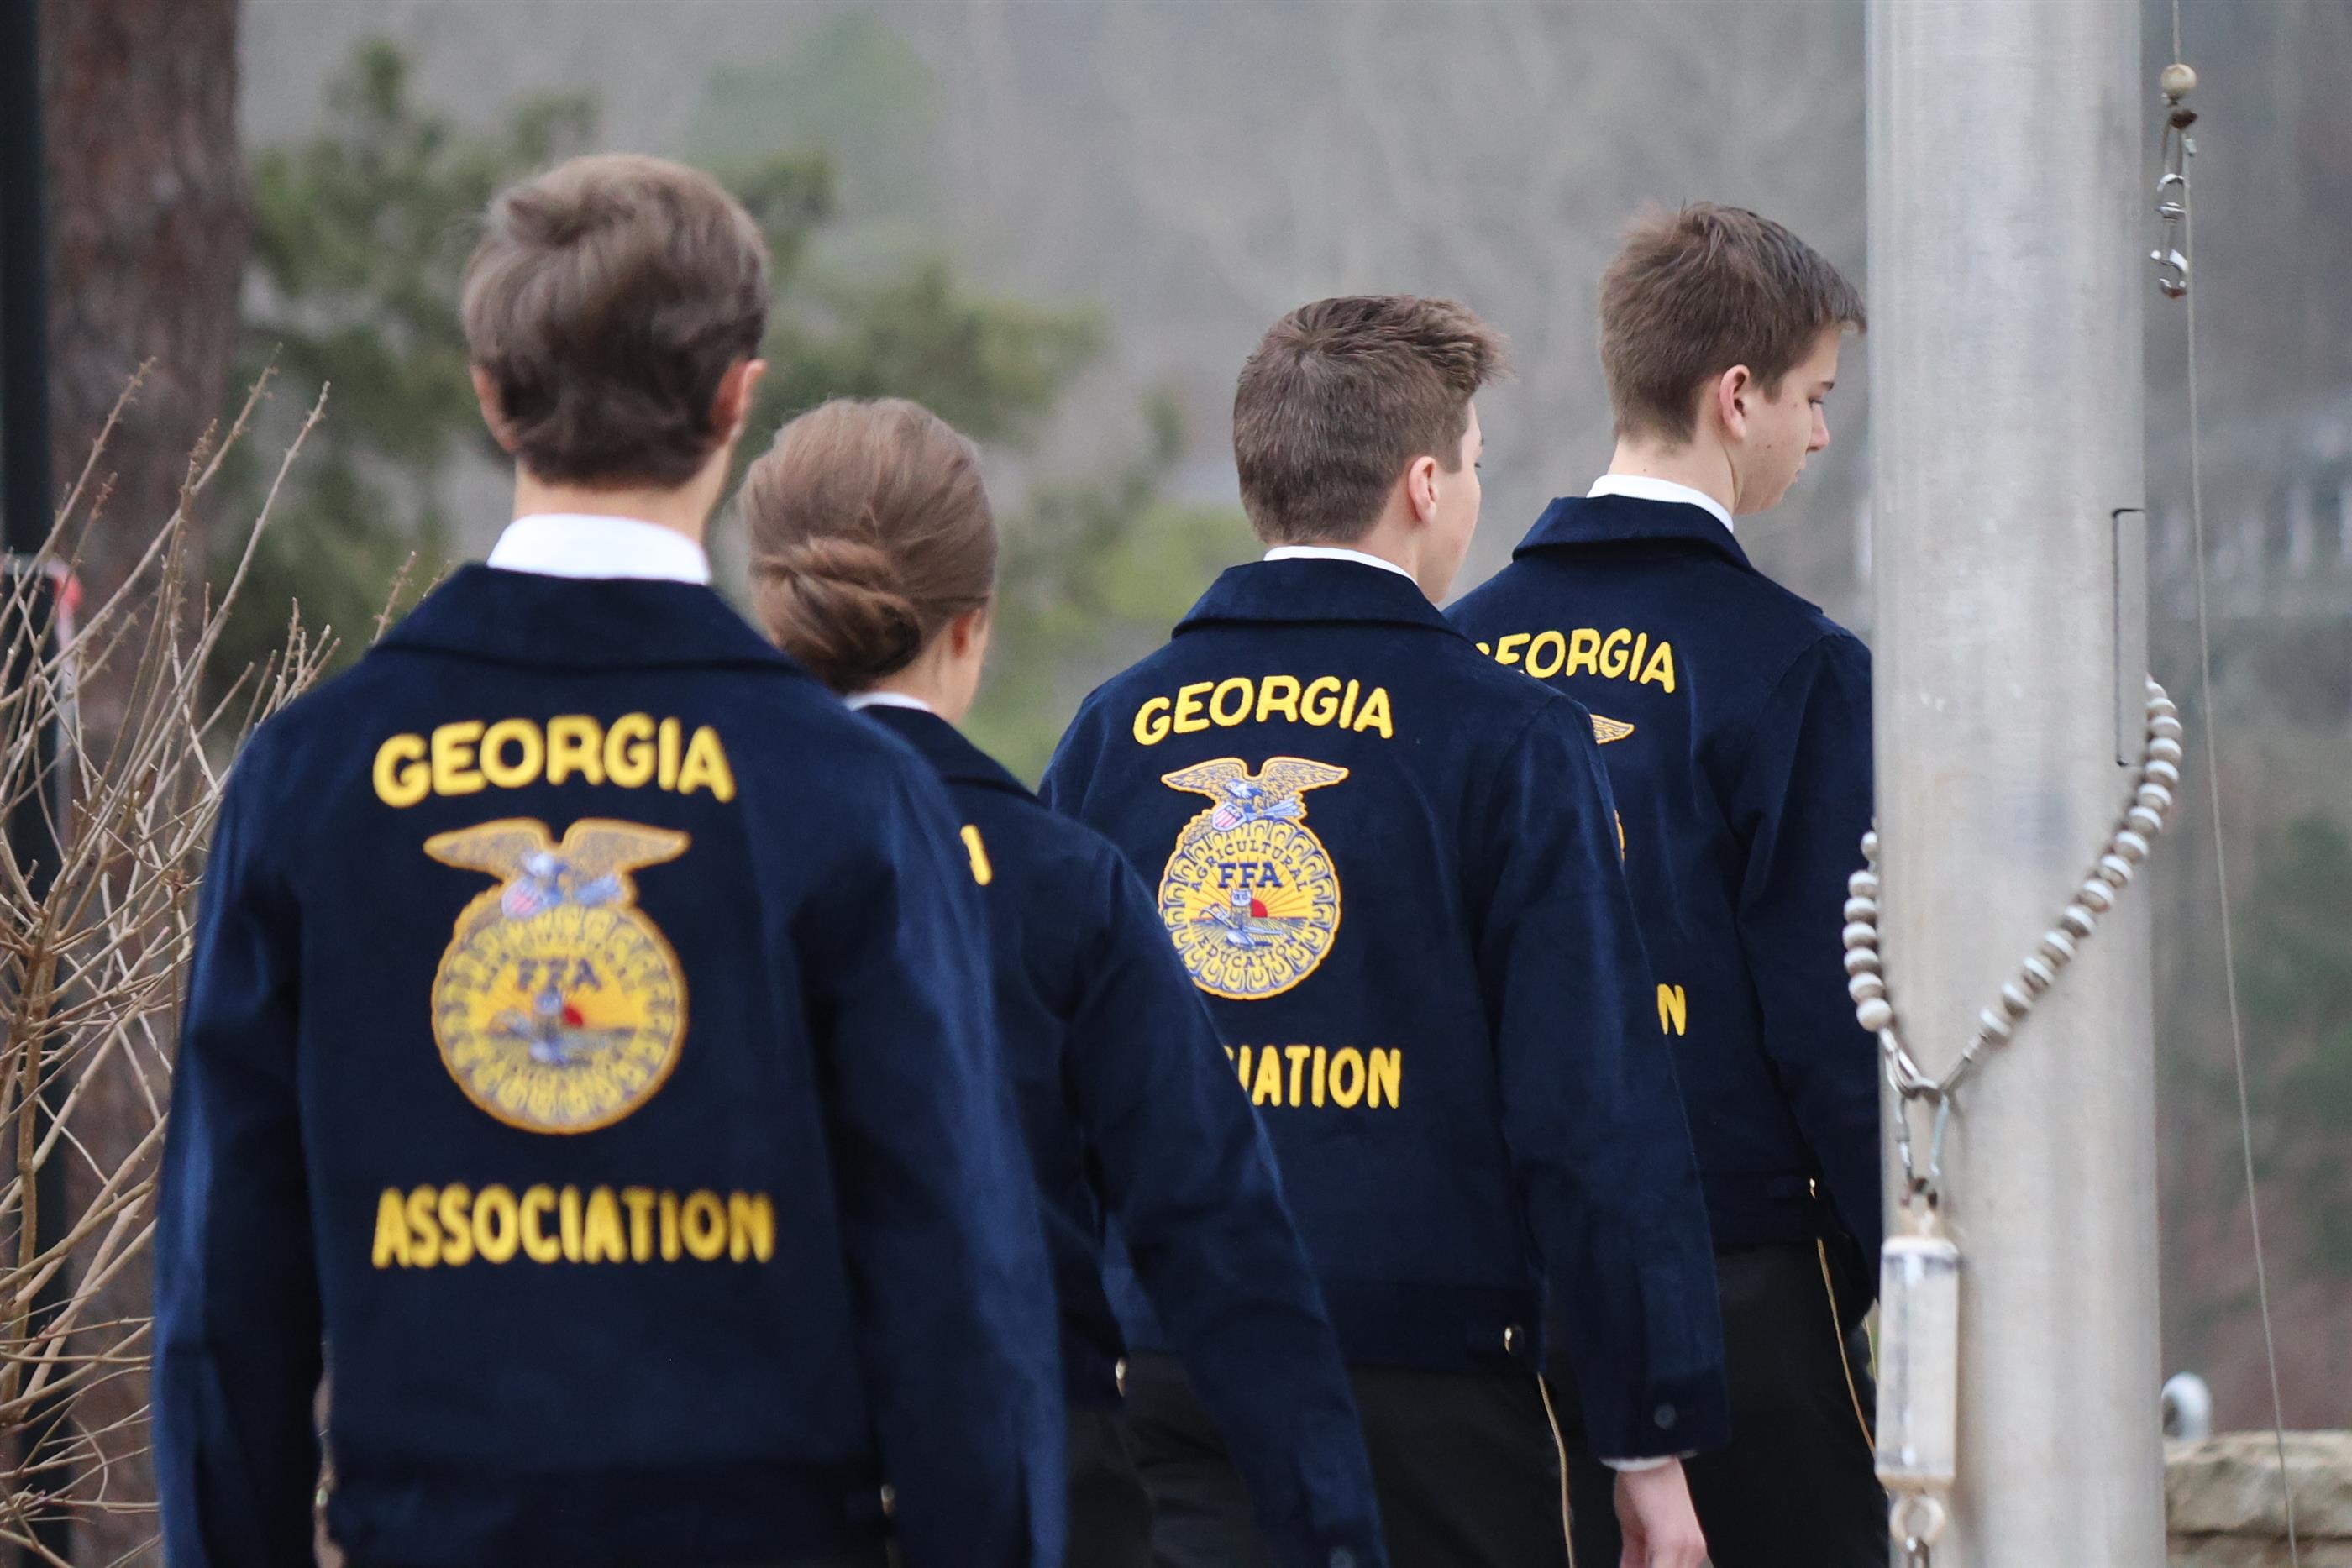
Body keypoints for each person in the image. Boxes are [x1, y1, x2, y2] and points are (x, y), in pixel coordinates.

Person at [152, 155, 1063, 1568]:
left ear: (491, 394)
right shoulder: (848, 791)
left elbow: (226, 1298)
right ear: (737, 399)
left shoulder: (308, 778)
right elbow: (959, 1285)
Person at [1042, 295, 1727, 1568]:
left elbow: (1041, 1081)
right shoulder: (1513, 737)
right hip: (1432, 1378)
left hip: (1170, 1360)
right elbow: (1591, 1107)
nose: (1472, 497)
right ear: (1423, 484)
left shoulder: (1109, 736)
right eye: (1473, 464)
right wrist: (1650, 1434)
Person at [737, 395, 1389, 1568]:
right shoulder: (1067, 883)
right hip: (1032, 1483)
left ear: (772, 605)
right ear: (973, 629)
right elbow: (1217, 1231)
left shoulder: (691, 863)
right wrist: (1329, 1530)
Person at [1447, 202, 1882, 1568]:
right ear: (1735, 397)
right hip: (1743, 1283)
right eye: (1815, 397)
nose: (1821, 434)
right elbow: (1834, 1022)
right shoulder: (1799, 672)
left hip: (1497, 1299)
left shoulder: (1455, 658)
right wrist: (1907, 1272)